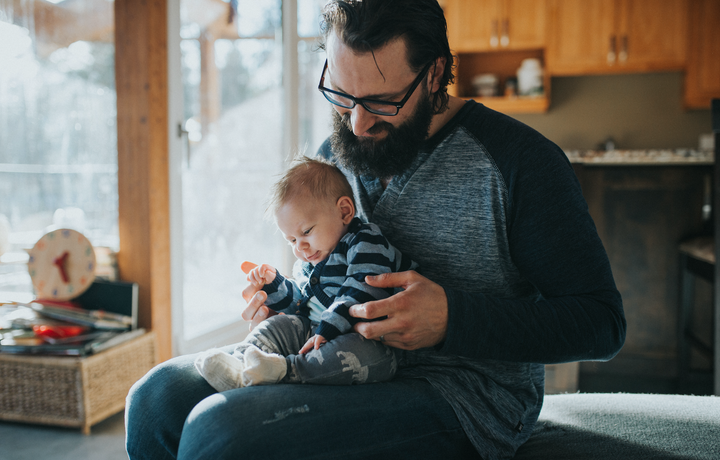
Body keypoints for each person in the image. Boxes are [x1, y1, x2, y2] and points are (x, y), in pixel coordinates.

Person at [125, 1, 626, 459]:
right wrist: (283, 295)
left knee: (223, 434)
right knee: (155, 399)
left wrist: (453, 318)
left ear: (433, 75)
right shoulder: (330, 159)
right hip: (331, 359)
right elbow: (320, 280)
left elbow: (601, 324)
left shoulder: (522, 162)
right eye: (341, 93)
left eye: (382, 102)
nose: (358, 123)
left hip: (464, 393)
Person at [194, 156, 416, 391]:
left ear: (344, 211)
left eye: (306, 232)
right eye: (291, 240)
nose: (300, 247)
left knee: (353, 355)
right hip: (314, 334)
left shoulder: (366, 241)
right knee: (276, 327)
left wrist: (327, 329)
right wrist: (274, 285)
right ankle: (239, 364)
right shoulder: (308, 263)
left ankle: (285, 370)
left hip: (371, 340)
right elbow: (300, 306)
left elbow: (362, 290)